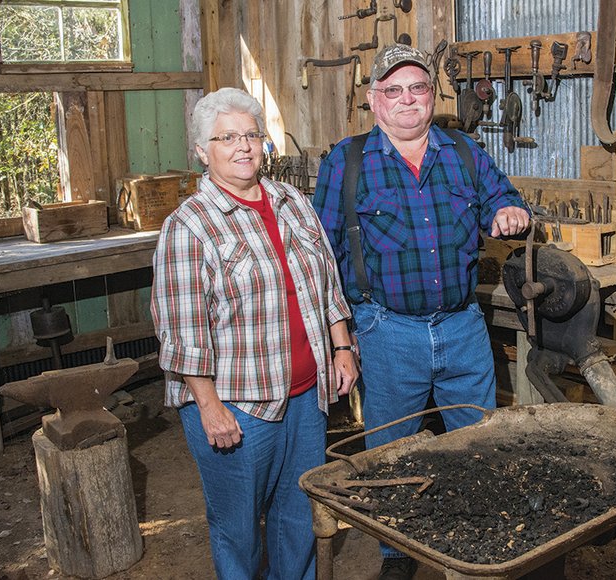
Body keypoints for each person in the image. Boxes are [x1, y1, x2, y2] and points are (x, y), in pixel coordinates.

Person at [312, 44, 530, 579]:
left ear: (433, 95)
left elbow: (506, 197)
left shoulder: (463, 150)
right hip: (388, 332)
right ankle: (397, 555)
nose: (407, 99)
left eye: (418, 88)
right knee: (392, 450)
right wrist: (342, 337)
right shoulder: (348, 159)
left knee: (475, 442)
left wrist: (507, 210)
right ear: (373, 100)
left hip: (462, 327)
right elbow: (323, 253)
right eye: (393, 90)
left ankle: (474, 543)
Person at [150, 87, 358, 580]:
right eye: (227, 138)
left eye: (251, 135)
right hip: (239, 407)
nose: (243, 146)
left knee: (298, 518)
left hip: (307, 397)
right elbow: (182, 329)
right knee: (238, 530)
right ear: (203, 151)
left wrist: (342, 345)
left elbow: (325, 281)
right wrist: (208, 406)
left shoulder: (291, 201)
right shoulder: (189, 226)